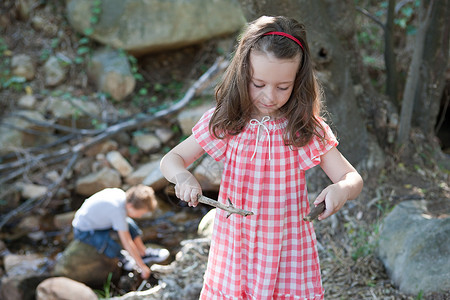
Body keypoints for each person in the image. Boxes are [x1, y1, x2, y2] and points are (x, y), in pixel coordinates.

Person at [160, 15, 363, 299]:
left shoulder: (303, 127)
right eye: (258, 84)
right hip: (235, 247)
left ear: (298, 81)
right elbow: (172, 159)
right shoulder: (229, 121)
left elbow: (352, 177)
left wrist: (341, 189)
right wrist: (182, 176)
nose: (270, 96)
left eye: (283, 87)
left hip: (287, 249)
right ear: (243, 74)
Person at [72, 185, 169, 279]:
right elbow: (127, 242)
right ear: (130, 206)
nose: (140, 216)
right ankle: (123, 259)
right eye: (141, 213)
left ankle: (143, 252)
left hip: (101, 222)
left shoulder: (122, 197)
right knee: (110, 244)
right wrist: (142, 267)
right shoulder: (117, 210)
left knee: (129, 224)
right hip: (85, 231)